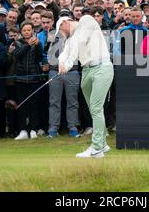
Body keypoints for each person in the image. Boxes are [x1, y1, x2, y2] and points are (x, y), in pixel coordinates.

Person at [57, 13, 114, 158]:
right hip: (87, 71)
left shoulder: (86, 20)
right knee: (94, 109)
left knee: (95, 107)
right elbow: (65, 52)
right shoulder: (71, 38)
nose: (63, 33)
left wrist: (68, 64)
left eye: (61, 30)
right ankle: (102, 144)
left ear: (65, 22)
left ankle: (96, 149)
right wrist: (61, 63)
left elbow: (80, 43)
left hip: (102, 67)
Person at [11, 22, 43, 140]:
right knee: (22, 105)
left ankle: (34, 129)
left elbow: (39, 58)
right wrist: (28, 45)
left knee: (33, 105)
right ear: (21, 32)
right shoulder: (17, 43)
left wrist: (38, 46)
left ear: (32, 31)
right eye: (24, 30)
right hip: (20, 79)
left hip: (34, 78)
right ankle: (23, 130)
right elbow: (17, 56)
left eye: (29, 30)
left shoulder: (37, 43)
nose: (27, 32)